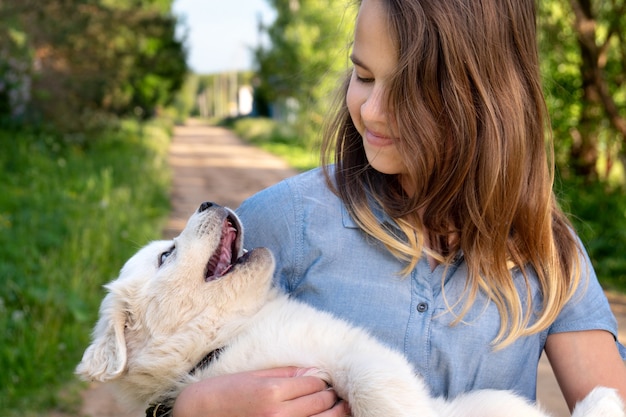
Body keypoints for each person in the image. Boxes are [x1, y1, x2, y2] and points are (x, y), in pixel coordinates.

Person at [172, 0, 626, 415]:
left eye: (409, 90)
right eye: (363, 76)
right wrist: (192, 407)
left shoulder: (544, 249)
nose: (371, 110)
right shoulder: (286, 221)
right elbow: (156, 364)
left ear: (487, 100)